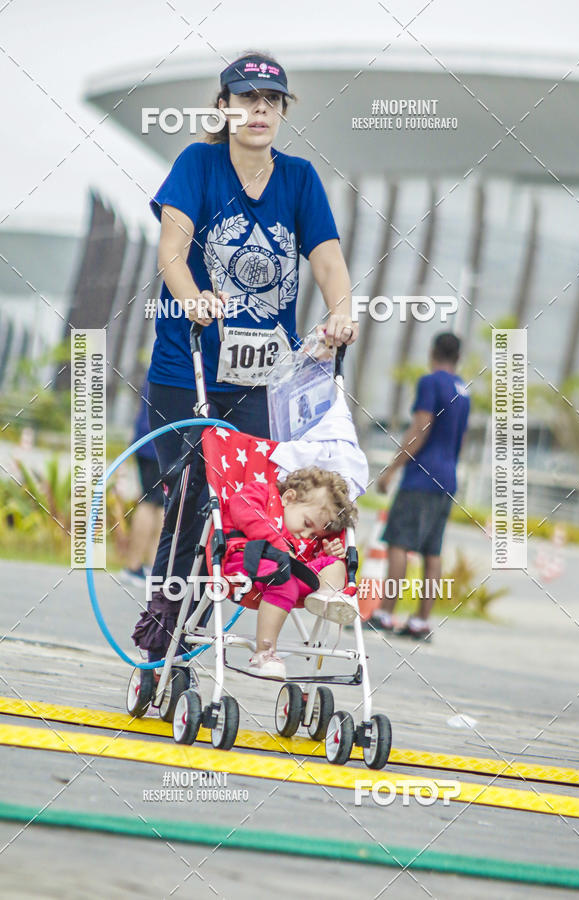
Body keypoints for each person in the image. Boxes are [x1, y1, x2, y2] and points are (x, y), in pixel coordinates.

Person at [132, 50, 358, 661]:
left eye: (271, 101)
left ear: (282, 111)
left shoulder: (298, 179)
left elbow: (329, 259)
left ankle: (244, 627)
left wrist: (341, 307)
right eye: (247, 99)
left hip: (262, 380)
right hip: (191, 369)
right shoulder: (198, 164)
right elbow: (172, 254)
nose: (259, 110)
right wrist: (195, 299)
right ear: (225, 106)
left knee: (251, 505)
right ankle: (163, 633)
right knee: (189, 500)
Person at [372, 332, 470, 639]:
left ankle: (385, 614)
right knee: (432, 551)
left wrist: (391, 469)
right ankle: (420, 622)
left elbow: (421, 427)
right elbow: (461, 438)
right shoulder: (464, 390)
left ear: (432, 352)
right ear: (458, 357)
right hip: (447, 478)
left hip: (421, 476)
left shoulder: (430, 382)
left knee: (399, 543)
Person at [222, 467, 358, 678]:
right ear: (288, 497)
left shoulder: (304, 534)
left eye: (314, 533)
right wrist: (280, 546)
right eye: (307, 524)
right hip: (248, 562)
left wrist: (325, 554)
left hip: (295, 577)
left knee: (336, 563)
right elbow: (244, 512)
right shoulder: (261, 494)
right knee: (283, 578)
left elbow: (307, 562)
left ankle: (327, 596)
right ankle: (264, 653)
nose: (306, 535)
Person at [119, 377, 164, 588]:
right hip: (157, 444)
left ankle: (149, 565)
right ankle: (134, 566)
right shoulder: (179, 362)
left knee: (161, 505)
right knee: (152, 503)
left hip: (149, 441)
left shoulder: (162, 362)